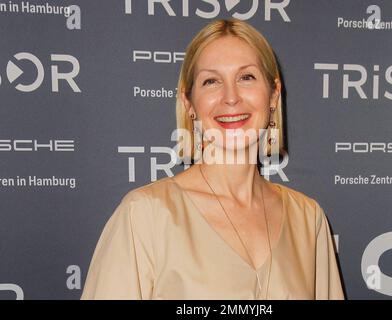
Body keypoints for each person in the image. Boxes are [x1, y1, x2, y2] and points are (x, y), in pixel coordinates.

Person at [81, 18, 344, 300]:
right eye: (211, 81)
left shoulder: (307, 218)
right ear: (189, 103)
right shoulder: (145, 216)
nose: (230, 97)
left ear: (273, 96)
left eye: (246, 77)